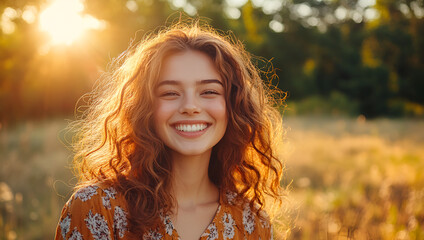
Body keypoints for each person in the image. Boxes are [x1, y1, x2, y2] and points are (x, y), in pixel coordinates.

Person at [55, 22, 284, 240]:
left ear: (233, 104)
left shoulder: (253, 222)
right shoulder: (96, 207)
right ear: (145, 108)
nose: (190, 107)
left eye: (209, 92)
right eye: (170, 93)